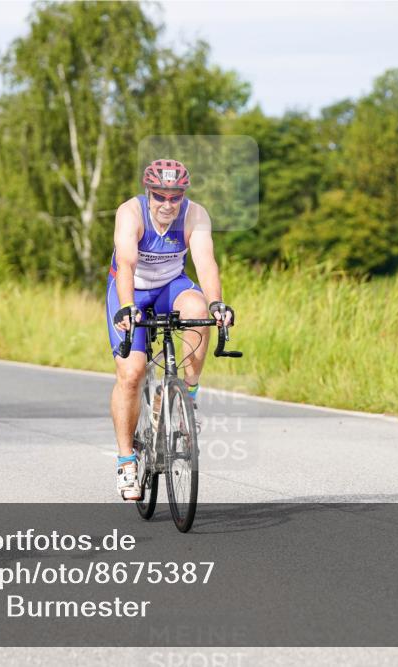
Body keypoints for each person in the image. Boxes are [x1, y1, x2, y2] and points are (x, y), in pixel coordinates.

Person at [107, 159, 234, 500]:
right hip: (130, 290)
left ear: (183, 196)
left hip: (170, 287)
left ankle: (185, 396)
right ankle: (126, 461)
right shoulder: (130, 213)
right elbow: (127, 263)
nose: (167, 204)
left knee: (197, 312)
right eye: (160, 196)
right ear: (148, 193)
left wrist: (217, 304)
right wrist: (127, 306)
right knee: (131, 373)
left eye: (174, 197)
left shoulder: (195, 215)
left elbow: (206, 263)